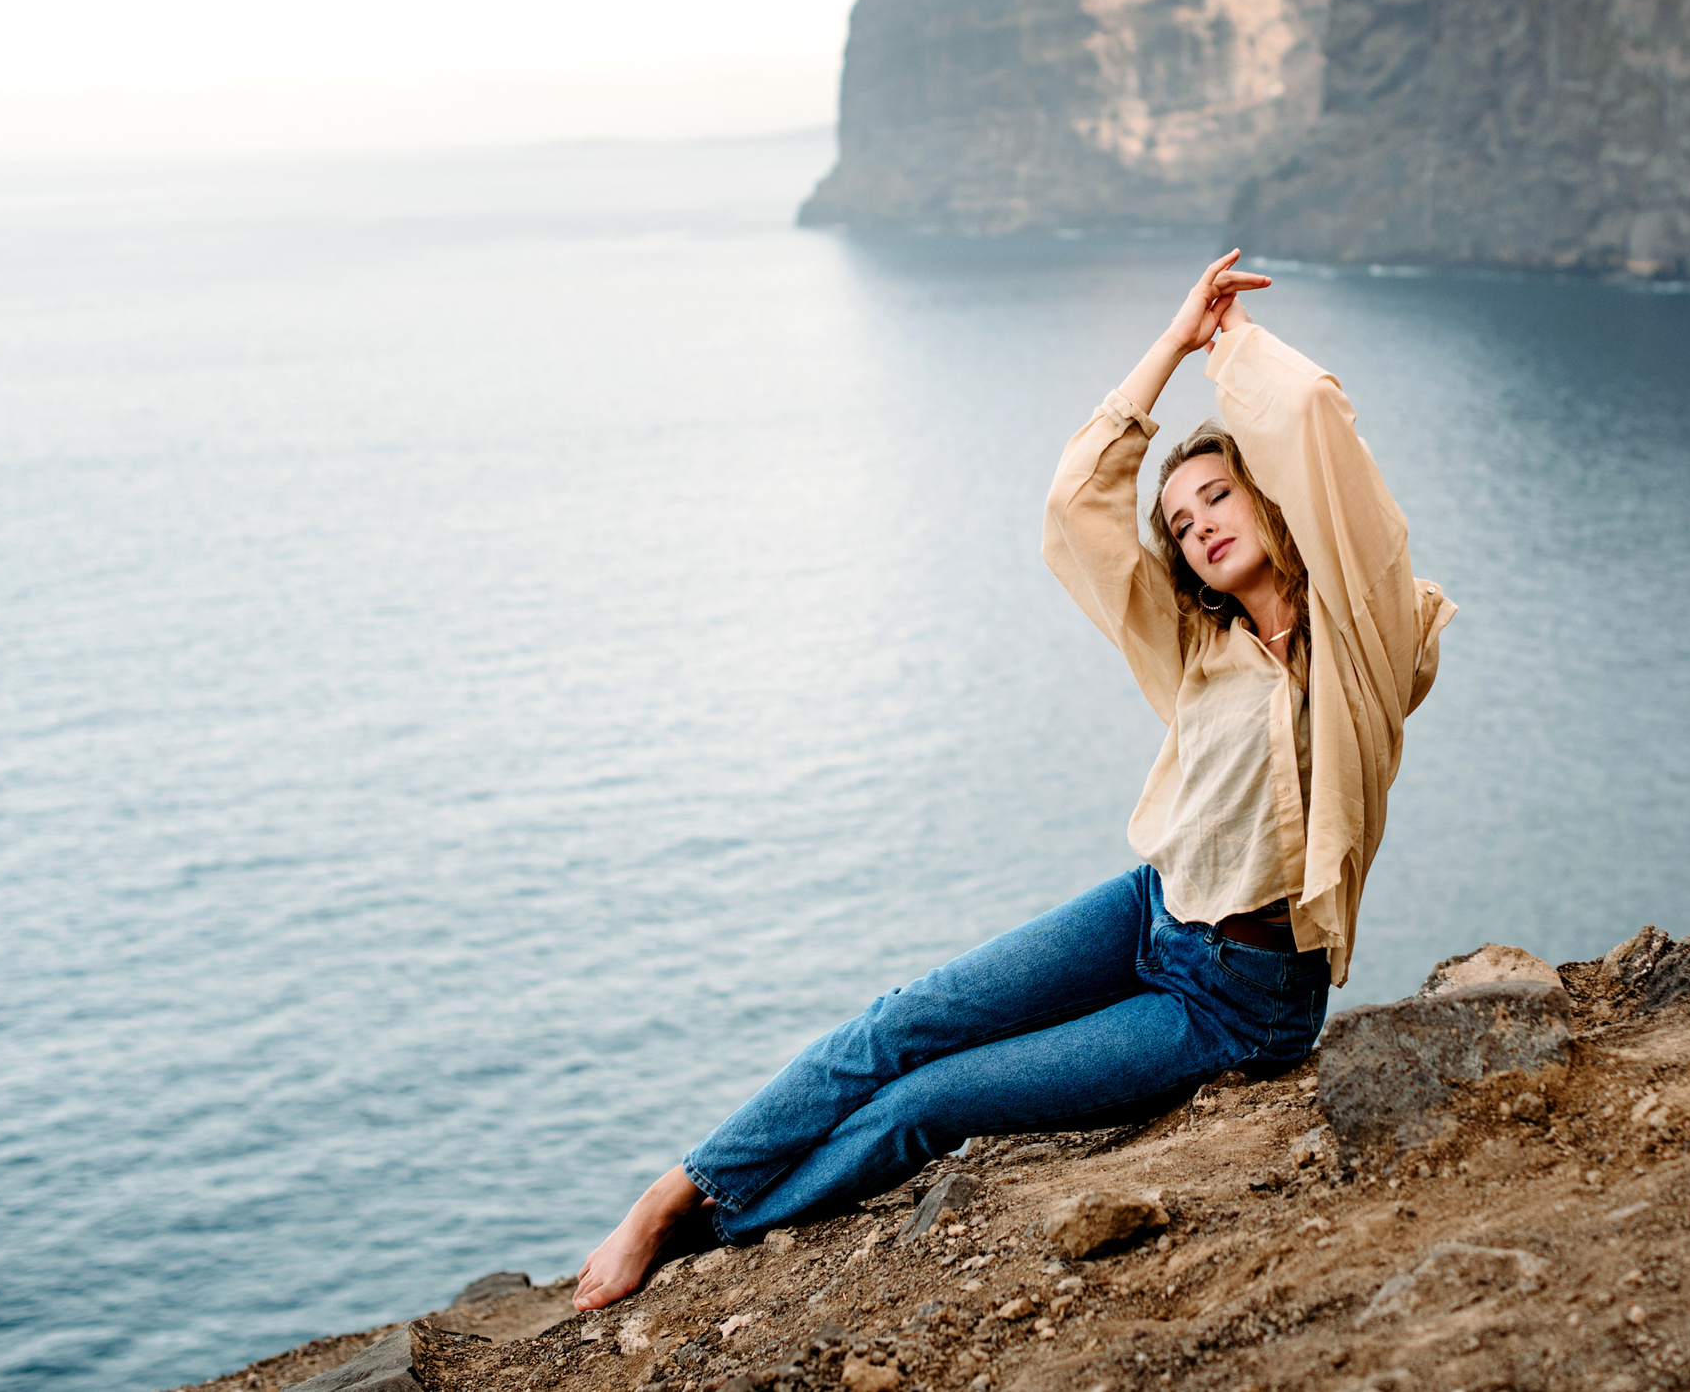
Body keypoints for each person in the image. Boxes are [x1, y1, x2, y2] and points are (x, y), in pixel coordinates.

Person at [573, 250, 1455, 1311]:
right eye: (1180, 524)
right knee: (898, 1024)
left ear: (1268, 501)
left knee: (932, 1102)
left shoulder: (1364, 639)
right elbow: (1077, 503)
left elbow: (1311, 415)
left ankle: (716, 1233)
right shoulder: (1192, 645)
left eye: (1218, 497)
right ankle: (674, 1192)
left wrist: (1228, 346)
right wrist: (1169, 345)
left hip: (1240, 1001)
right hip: (1149, 911)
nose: (1200, 527)